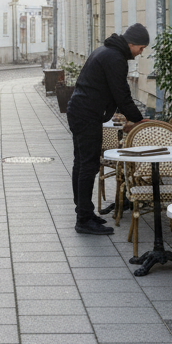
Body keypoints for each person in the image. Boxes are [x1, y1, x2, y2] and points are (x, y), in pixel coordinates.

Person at [66, 23, 150, 235]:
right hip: (86, 114)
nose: (141, 52)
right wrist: (138, 120)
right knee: (88, 165)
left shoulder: (106, 51)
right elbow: (121, 95)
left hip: (80, 110)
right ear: (131, 43)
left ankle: (84, 210)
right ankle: (83, 219)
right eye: (141, 48)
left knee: (82, 162)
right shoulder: (115, 58)